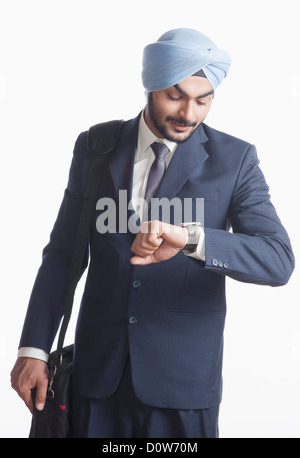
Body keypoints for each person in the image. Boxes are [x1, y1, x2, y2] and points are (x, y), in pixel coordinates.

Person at [11, 28, 295, 438]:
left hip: (183, 386)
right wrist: (33, 349)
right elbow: (62, 255)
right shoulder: (97, 146)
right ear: (150, 86)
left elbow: (277, 259)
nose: (189, 113)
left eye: (203, 99)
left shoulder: (235, 160)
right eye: (175, 96)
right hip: (97, 380)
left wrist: (193, 240)